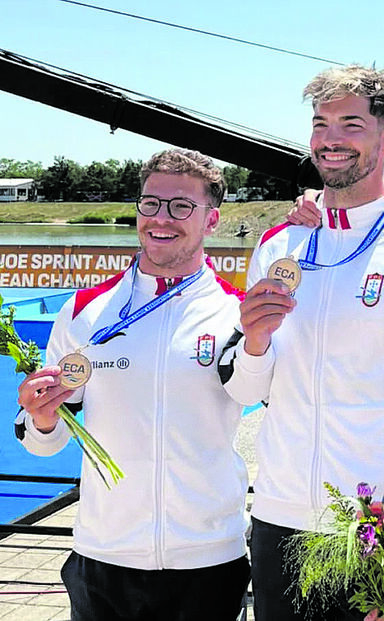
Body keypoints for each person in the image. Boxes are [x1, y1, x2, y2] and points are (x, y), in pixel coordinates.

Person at [218, 65, 384, 621]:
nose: (330, 139)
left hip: (381, 528)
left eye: (350, 124)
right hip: (280, 521)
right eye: (320, 124)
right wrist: (255, 342)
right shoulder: (279, 243)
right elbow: (246, 388)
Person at [15, 149, 250, 621]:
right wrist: (41, 418)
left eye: (181, 206)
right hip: (104, 555)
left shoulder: (237, 313)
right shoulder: (84, 310)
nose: (162, 218)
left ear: (212, 219)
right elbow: (45, 441)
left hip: (208, 557)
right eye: (151, 203)